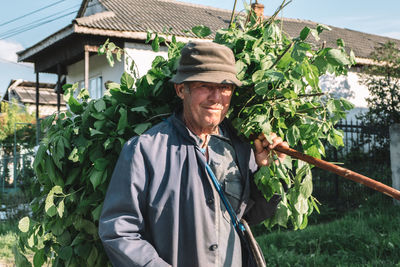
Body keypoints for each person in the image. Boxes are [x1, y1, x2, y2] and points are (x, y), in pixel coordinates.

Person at [98, 41, 288, 267]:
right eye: (205, 86)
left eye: (225, 88)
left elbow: (251, 215)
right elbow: (119, 231)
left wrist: (269, 173)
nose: (216, 97)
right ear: (181, 89)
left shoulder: (240, 148)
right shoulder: (145, 151)